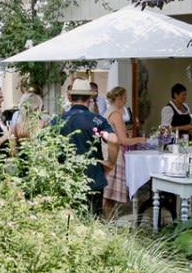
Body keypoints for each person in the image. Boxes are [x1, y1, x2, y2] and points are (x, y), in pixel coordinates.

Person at [60, 78, 115, 215]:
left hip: (65, 176)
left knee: (68, 220)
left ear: (70, 97)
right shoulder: (97, 120)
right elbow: (114, 140)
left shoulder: (58, 120)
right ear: (90, 98)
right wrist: (110, 163)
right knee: (93, 219)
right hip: (92, 175)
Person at [101, 86, 147, 219]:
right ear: (119, 98)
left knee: (108, 193)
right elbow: (123, 140)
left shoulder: (109, 111)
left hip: (107, 151)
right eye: (125, 97)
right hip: (113, 154)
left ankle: (109, 221)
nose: (126, 100)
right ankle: (110, 222)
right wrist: (140, 139)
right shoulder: (115, 114)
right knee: (109, 193)